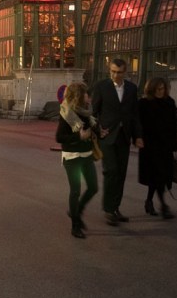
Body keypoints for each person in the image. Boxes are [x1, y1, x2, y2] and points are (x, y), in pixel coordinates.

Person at [91, 58, 143, 226]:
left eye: (119, 72)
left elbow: (135, 115)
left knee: (121, 173)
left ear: (125, 72)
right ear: (109, 70)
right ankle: (108, 209)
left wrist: (138, 136)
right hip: (107, 136)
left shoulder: (131, 89)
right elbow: (93, 112)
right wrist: (98, 129)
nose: (115, 75)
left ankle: (115, 208)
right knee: (111, 171)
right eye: (113, 71)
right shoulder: (101, 87)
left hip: (124, 136)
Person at [56, 82, 105, 238]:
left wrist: (101, 132)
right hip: (72, 157)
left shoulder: (87, 112)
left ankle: (76, 211)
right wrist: (79, 136)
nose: (89, 97)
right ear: (79, 95)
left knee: (93, 188)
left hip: (86, 155)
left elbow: (93, 127)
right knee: (75, 190)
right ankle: (75, 225)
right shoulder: (66, 113)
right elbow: (59, 137)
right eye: (86, 94)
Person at [137, 77, 177, 219]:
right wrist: (138, 138)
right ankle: (163, 206)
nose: (161, 92)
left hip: (165, 146)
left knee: (159, 177)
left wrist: (175, 146)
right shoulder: (144, 104)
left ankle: (149, 201)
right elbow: (138, 124)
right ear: (151, 89)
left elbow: (174, 126)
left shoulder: (169, 103)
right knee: (157, 177)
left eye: (163, 89)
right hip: (150, 146)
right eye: (158, 89)